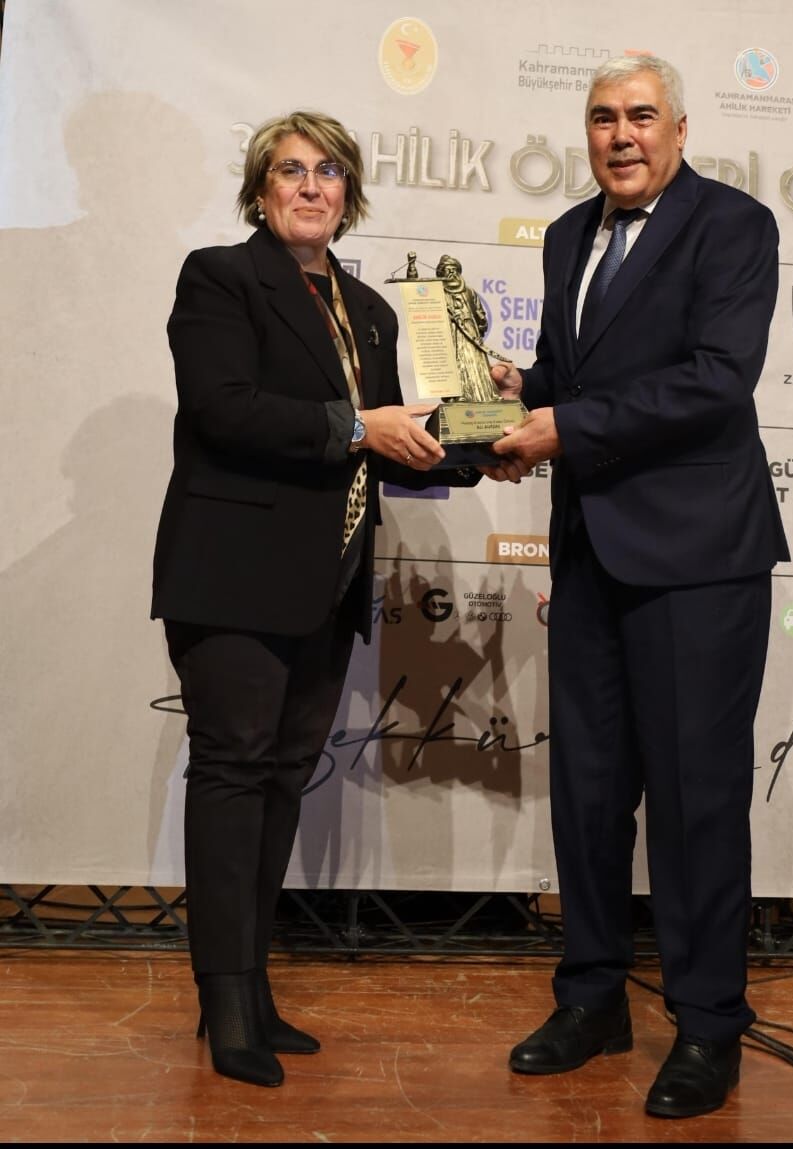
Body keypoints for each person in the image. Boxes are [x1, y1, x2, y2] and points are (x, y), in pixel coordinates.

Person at [484, 56, 788, 1118]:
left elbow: (716, 379)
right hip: (591, 551)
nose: (621, 135)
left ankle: (708, 1025)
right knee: (589, 791)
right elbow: (578, 379)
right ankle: (592, 998)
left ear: (680, 129)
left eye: (642, 116)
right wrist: (517, 394)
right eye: (603, 117)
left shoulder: (734, 226)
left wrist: (563, 426)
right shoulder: (569, 234)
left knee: (696, 799)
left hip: (699, 559)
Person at [150, 110, 477, 1088]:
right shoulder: (220, 278)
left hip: (324, 586)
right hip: (231, 576)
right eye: (289, 170)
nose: (309, 186)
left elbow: (387, 441)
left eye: (328, 171)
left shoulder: (368, 309)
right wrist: (360, 427)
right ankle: (225, 1002)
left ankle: (251, 992)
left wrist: (481, 448)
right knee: (234, 774)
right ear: (260, 191)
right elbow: (226, 410)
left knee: (282, 779)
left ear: (348, 193)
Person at [436, 254, 498, 403]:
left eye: (454, 270)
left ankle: (488, 394)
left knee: (478, 364)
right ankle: (458, 394)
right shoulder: (437, 294)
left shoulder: (469, 292)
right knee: (458, 364)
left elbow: (479, 312)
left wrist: (481, 322)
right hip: (453, 334)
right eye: (448, 270)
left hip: (470, 332)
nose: (452, 273)